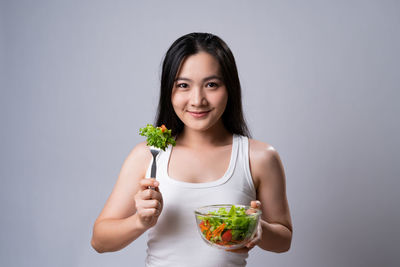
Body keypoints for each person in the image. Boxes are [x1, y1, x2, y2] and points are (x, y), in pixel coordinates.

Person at [91, 32, 292, 267]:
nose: (197, 100)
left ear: (230, 88)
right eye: (183, 85)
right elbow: (99, 241)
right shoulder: (149, 154)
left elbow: (284, 240)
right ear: (169, 91)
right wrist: (140, 221)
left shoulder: (259, 157)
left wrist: (257, 228)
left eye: (211, 85)